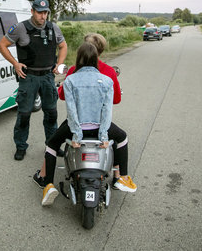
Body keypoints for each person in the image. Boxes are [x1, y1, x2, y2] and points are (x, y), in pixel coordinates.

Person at [36, 41, 137, 207]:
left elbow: (72, 111)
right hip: (98, 128)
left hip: (76, 127)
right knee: (123, 138)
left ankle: (48, 184)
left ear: (79, 59)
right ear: (96, 59)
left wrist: (76, 134)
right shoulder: (107, 81)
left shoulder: (70, 80)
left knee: (52, 144)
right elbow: (107, 112)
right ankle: (122, 178)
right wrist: (104, 135)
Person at [0, 0, 67, 160]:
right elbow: (2, 45)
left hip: (48, 77)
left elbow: (63, 46)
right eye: (39, 12)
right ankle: (21, 146)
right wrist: (15, 63)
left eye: (45, 13)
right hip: (28, 77)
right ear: (32, 12)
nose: (43, 16)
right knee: (24, 114)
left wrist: (59, 64)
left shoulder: (53, 28)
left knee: (51, 114)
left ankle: (52, 146)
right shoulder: (21, 28)